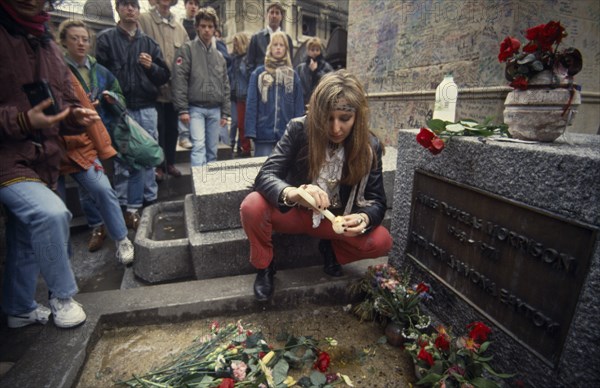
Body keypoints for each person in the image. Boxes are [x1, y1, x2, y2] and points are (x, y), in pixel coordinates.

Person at [240, 70, 393, 302]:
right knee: (252, 205)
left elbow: (377, 201)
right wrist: (294, 193)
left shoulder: (369, 147)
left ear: (358, 117)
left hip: (334, 221)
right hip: (292, 213)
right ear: (317, 112)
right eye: (328, 117)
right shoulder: (298, 129)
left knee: (382, 240)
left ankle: (331, 250)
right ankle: (265, 266)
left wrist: (363, 218)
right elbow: (266, 176)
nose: (335, 128)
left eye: (344, 118)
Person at [0, 0, 100, 328]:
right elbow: (25, 116)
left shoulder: (46, 43)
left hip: (45, 158)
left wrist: (75, 116)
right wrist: (20, 121)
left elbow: (62, 103)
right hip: (8, 156)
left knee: (24, 233)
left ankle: (18, 308)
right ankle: (62, 295)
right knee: (50, 214)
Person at [56, 19, 134, 265]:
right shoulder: (58, 69)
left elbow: (119, 92)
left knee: (103, 188)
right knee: (80, 194)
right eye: (74, 38)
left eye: (85, 39)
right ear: (64, 42)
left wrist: (109, 98)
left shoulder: (99, 70)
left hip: (98, 135)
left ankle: (121, 238)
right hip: (62, 142)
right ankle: (96, 227)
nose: (80, 43)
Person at [96, 0, 170, 227]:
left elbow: (163, 75)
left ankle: (149, 199)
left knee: (148, 153)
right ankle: (124, 203)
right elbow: (99, 74)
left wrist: (151, 67)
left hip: (147, 106)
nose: (130, 9)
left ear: (139, 12)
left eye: (134, 6)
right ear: (118, 9)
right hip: (120, 109)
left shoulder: (148, 42)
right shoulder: (106, 39)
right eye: (125, 5)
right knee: (123, 158)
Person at [172, 7, 230, 166]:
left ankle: (209, 188)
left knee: (212, 151)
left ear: (214, 29)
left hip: (215, 110)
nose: (206, 30)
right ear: (197, 27)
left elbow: (225, 84)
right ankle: (197, 189)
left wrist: (225, 112)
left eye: (210, 26)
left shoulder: (219, 57)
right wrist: (182, 109)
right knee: (198, 147)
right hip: (195, 108)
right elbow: (179, 79)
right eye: (203, 26)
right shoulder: (187, 49)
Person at [139, 0, 189, 180]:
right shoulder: (144, 20)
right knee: (156, 128)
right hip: (152, 88)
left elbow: (185, 58)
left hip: (173, 90)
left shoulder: (180, 28)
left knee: (172, 129)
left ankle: (170, 163)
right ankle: (158, 166)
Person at [245, 31, 304, 157]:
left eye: (281, 45)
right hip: (263, 134)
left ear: (286, 49)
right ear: (270, 48)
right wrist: (251, 131)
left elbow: (298, 106)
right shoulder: (259, 74)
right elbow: (251, 103)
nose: (278, 47)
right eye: (275, 45)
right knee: (261, 170)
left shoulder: (293, 76)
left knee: (284, 173)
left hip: (286, 135)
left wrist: (298, 132)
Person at [246, 1, 294, 74]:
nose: (274, 16)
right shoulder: (256, 38)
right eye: (272, 12)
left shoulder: (287, 39)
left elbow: (290, 62)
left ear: (281, 17)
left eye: (277, 13)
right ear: (267, 15)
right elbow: (250, 64)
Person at [229, 32, 251, 157]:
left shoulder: (247, 59)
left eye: (237, 43)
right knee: (235, 122)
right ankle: (234, 145)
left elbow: (246, 74)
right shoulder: (233, 58)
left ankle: (243, 147)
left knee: (242, 123)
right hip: (234, 94)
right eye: (234, 43)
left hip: (244, 94)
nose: (235, 46)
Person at [296, 36, 334, 106]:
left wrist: (316, 72)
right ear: (308, 51)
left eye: (317, 50)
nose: (315, 52)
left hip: (321, 104)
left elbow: (330, 82)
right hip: (305, 104)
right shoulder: (301, 68)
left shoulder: (326, 67)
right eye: (312, 50)